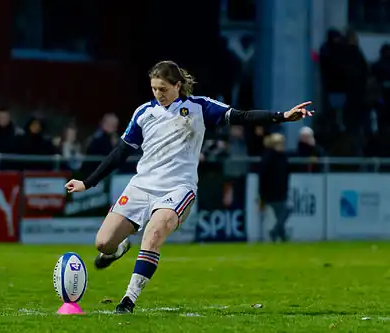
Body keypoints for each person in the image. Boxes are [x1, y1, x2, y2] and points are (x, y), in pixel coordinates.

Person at [65, 60, 314, 313]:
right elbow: (119, 153)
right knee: (103, 243)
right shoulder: (143, 114)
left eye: (163, 88)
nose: (158, 94)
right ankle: (118, 249)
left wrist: (281, 116)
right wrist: (88, 182)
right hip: (140, 187)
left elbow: (241, 116)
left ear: (178, 85)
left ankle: (128, 300)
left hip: (178, 189)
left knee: (153, 235)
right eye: (154, 88)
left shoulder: (199, 107)